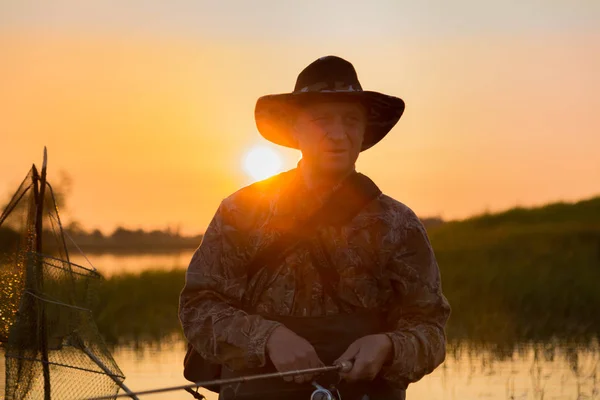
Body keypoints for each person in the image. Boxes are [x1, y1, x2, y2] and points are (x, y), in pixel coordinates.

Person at [179, 55, 451, 400]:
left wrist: (387, 346)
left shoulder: (399, 224)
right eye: (323, 120)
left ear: (364, 130)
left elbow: (431, 330)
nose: (338, 134)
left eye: (351, 121)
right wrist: (269, 338)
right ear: (295, 129)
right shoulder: (242, 211)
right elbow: (198, 309)